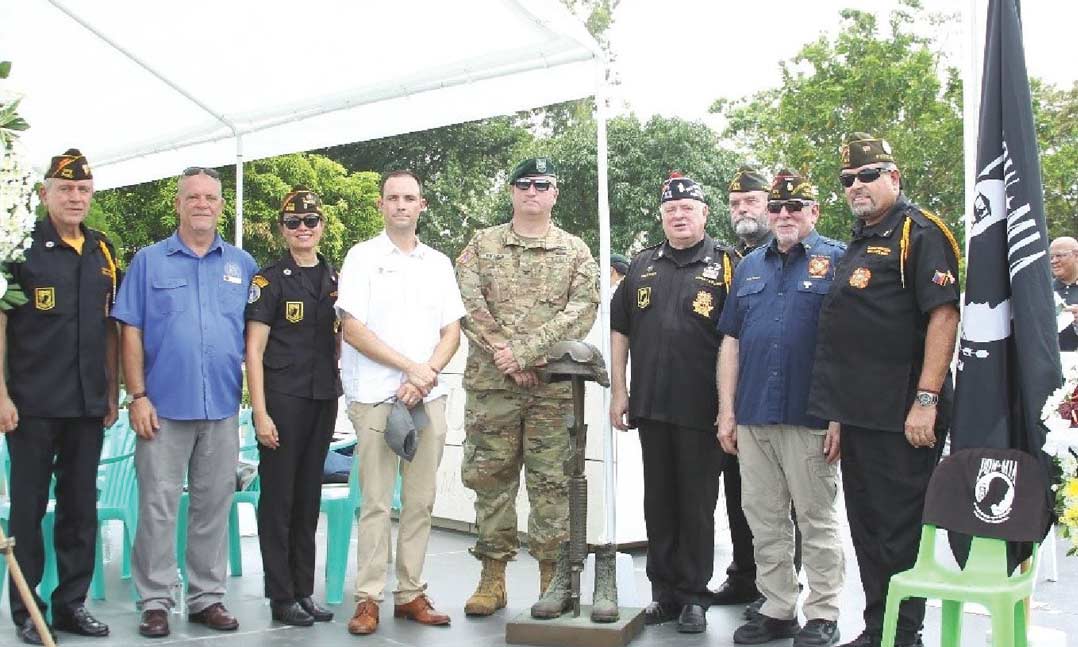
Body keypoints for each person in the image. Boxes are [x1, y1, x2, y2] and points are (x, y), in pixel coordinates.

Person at [809, 134, 960, 647]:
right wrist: (837, 414)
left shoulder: (919, 233)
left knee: (899, 532)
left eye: (867, 176)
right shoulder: (857, 238)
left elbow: (943, 316)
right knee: (868, 529)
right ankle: (878, 628)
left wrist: (927, 399)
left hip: (903, 414)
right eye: (847, 180)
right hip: (858, 413)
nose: (857, 186)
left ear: (893, 177)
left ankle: (903, 635)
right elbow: (849, 335)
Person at [111, 166, 258, 639]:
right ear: (178, 204)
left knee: (214, 506)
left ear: (220, 205)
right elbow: (128, 330)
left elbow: (258, 338)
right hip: (162, 407)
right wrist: (137, 396)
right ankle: (155, 601)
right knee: (157, 506)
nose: (202, 204)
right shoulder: (150, 262)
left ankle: (206, 599)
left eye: (210, 197)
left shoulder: (242, 265)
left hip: (220, 407)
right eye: (192, 196)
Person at [455, 157, 599, 617]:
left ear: (554, 193)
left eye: (542, 184)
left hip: (552, 390)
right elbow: (466, 300)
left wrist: (527, 351)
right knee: (490, 482)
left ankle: (550, 581)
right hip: (492, 388)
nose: (532, 192)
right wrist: (505, 352)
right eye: (524, 184)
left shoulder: (575, 251)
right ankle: (491, 579)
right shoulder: (482, 244)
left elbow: (582, 310)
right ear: (512, 192)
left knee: (552, 485)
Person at [718, 171, 846, 647]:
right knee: (764, 519)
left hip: (809, 414)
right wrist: (726, 411)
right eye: (777, 208)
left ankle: (824, 612)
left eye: (796, 207)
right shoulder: (750, 266)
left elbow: (847, 347)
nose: (784, 215)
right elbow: (731, 341)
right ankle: (777, 608)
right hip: (753, 415)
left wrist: (839, 414)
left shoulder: (837, 261)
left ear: (814, 211)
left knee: (817, 519)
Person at [336, 171, 464, 635]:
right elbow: (352, 328)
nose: (401, 205)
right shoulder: (362, 258)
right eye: (393, 198)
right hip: (375, 395)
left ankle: (410, 594)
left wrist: (424, 374)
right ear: (381, 205)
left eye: (410, 198)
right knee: (374, 503)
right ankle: (368, 598)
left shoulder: (439, 263)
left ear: (422, 205)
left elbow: (452, 330)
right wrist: (411, 369)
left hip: (427, 397)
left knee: (420, 501)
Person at [610, 173, 738, 633]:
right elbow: (620, 329)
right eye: (670, 211)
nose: (679, 216)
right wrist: (619, 391)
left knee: (697, 504)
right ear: (662, 217)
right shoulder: (643, 264)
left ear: (704, 213)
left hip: (702, 409)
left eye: (688, 209)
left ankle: (694, 596)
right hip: (651, 403)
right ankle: (663, 592)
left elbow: (736, 337)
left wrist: (729, 407)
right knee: (659, 502)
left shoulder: (726, 263)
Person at [0, 149, 118, 644]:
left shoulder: (103, 250)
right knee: (28, 512)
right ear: (45, 192)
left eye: (83, 190)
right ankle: (30, 612)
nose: (75, 197)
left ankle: (72, 605)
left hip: (86, 405)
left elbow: (112, 327)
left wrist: (114, 392)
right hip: (30, 404)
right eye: (65, 188)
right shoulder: (18, 248)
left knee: (79, 510)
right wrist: (1, 392)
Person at [245, 187, 341, 627]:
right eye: (293, 223)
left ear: (321, 226)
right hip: (282, 402)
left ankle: (304, 589)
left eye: (310, 221)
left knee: (307, 499)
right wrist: (260, 412)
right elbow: (254, 350)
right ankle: (280, 593)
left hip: (322, 398)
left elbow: (341, 341)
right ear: (282, 230)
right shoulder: (269, 280)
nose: (303, 229)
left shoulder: (334, 277)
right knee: (279, 500)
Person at [1049, 236, 1078, 352]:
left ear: (1076, 255)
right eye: (1051, 257)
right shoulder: (1044, 290)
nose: (1054, 261)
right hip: (1048, 364)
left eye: (1059, 255)